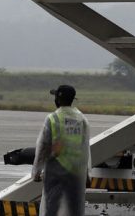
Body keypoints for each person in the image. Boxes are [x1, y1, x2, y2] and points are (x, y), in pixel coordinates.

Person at [32, 85, 90, 216]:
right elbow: (85, 148)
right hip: (76, 173)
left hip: (56, 172)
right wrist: (86, 173)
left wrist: (36, 171)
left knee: (51, 208)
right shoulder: (82, 119)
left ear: (57, 100)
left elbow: (43, 147)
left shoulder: (52, 119)